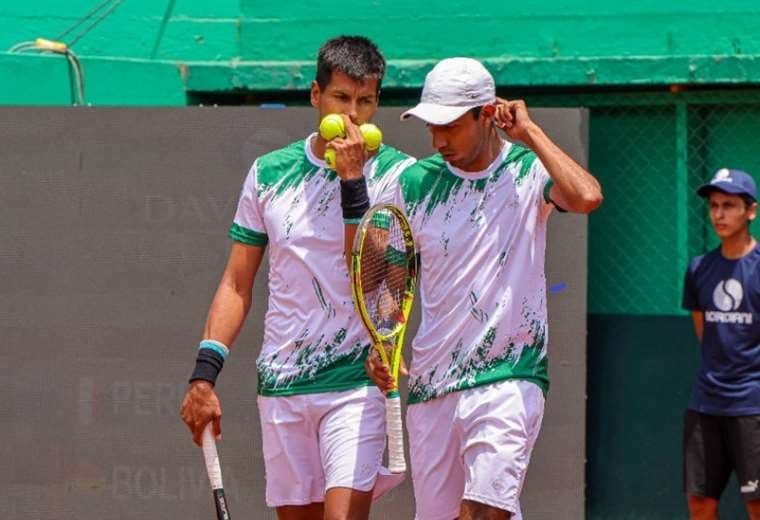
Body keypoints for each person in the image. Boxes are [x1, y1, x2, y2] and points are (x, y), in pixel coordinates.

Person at [355, 57, 602, 519]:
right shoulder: (410, 184)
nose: (438, 139)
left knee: (484, 514)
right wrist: (382, 339)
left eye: (449, 125)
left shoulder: (528, 172)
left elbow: (586, 196)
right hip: (432, 388)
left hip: (508, 377)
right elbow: (386, 271)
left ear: (487, 114)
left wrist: (530, 134)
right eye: (432, 126)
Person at [179, 35, 413, 520]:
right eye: (341, 99)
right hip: (283, 385)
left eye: (366, 102)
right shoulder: (268, 174)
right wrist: (204, 376)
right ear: (315, 96)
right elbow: (236, 284)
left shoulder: (395, 176)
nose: (353, 116)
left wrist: (353, 182)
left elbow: (377, 279)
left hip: (356, 384)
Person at [682, 168, 760, 520]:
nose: (719, 214)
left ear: (751, 211)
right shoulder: (699, 269)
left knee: (756, 504)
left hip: (753, 407)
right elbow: (705, 334)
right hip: (706, 404)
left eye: (729, 205)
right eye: (714, 206)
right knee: (700, 505)